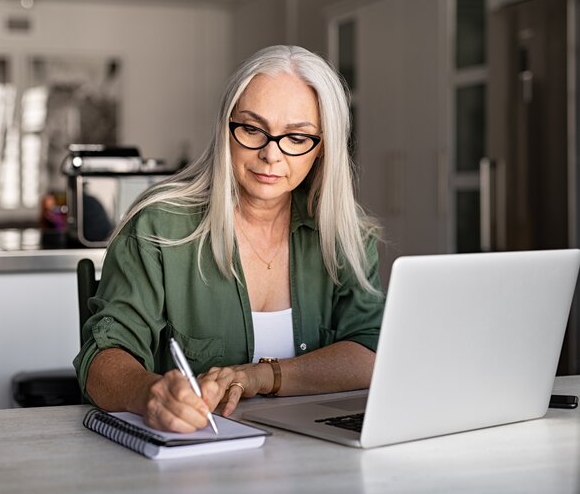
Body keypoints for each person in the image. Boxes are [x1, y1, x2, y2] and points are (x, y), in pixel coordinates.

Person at [73, 45, 384, 433]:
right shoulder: (158, 226)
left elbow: (370, 353)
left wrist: (261, 376)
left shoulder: (345, 233)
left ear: (322, 149)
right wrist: (148, 393)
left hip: (318, 451)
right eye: (253, 129)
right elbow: (102, 358)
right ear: (226, 129)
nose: (271, 154)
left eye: (297, 137)